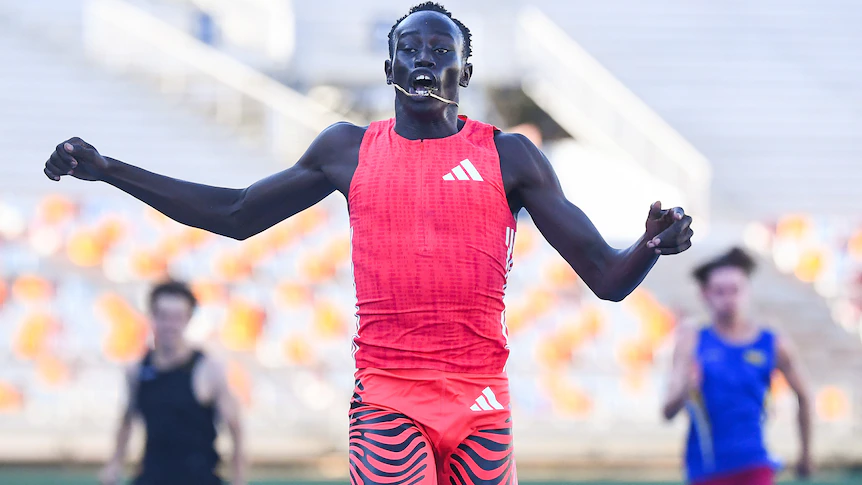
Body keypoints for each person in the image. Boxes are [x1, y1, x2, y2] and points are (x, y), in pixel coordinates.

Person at [46, 3, 694, 484]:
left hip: (481, 399)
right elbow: (237, 214)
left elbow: (608, 278)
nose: (423, 59)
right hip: (389, 394)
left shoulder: (510, 157)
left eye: (440, 49)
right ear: (388, 67)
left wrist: (648, 244)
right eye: (409, 49)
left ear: (465, 68)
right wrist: (109, 170)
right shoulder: (346, 152)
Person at [662, 248, 812, 485]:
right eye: (720, 291)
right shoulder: (692, 341)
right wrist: (685, 388)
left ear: (747, 290)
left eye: (735, 290)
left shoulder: (771, 343)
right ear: (705, 294)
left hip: (755, 465)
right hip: (706, 468)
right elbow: (667, 412)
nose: (729, 298)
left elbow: (804, 396)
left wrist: (805, 453)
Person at [98, 281, 245, 485]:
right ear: (152, 316)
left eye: (177, 317)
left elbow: (235, 427)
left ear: (188, 319)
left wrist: (239, 478)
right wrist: (115, 464)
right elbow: (127, 420)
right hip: (153, 476)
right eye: (163, 316)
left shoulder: (208, 369)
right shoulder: (138, 369)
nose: (170, 325)